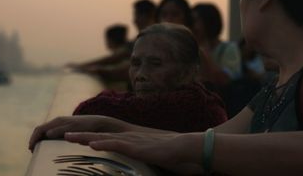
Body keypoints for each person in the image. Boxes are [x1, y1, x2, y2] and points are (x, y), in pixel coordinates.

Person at [30, 0, 303, 175]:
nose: (241, 3)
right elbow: (209, 143)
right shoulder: (275, 87)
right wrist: (109, 125)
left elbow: (201, 146)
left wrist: (186, 145)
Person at [72, 23, 227, 132]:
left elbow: (90, 109)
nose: (140, 75)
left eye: (155, 64)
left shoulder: (187, 106)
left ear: (188, 71)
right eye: (135, 63)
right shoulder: (198, 97)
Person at [192, 3, 242, 87]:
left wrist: (204, 52)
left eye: (195, 20)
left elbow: (225, 80)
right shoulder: (191, 49)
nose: (192, 26)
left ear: (208, 22)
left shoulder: (229, 49)